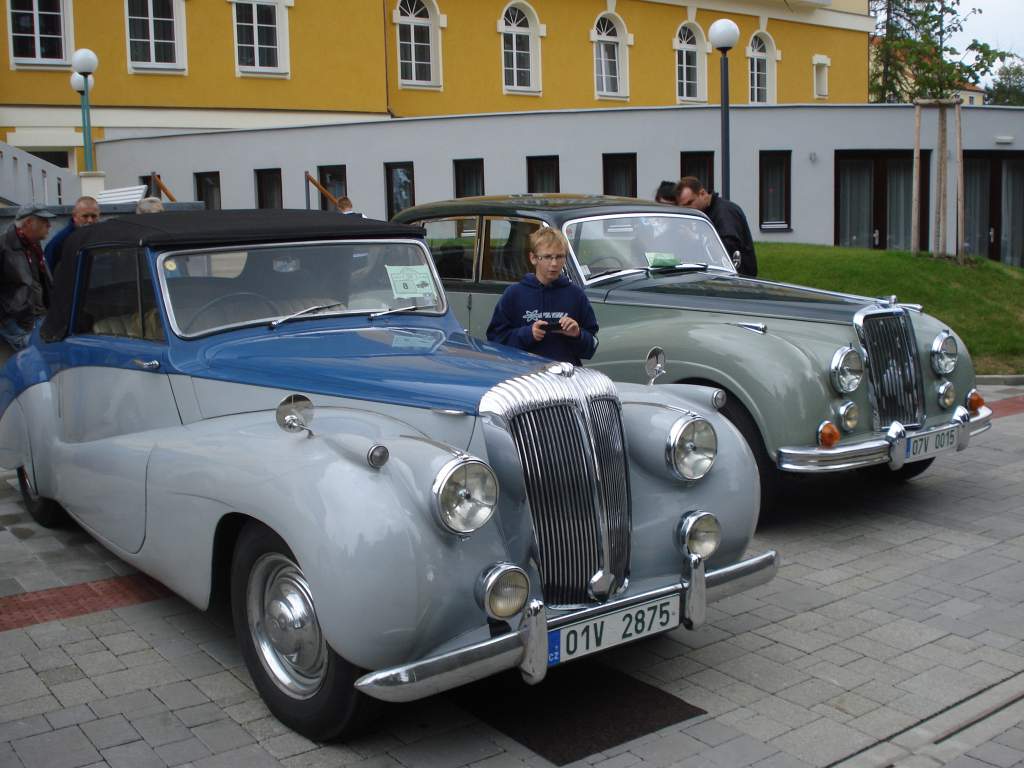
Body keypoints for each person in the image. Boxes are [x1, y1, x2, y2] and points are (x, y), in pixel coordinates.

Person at [486, 228, 598, 366]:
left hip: (565, 378)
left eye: (559, 257)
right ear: (533, 258)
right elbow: (495, 342)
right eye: (547, 257)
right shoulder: (514, 295)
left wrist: (578, 334)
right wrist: (528, 334)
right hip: (525, 377)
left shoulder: (576, 295)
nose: (554, 264)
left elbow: (591, 348)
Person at [676, 176, 758, 277]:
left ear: (702, 193)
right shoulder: (706, 213)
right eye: (683, 206)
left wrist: (696, 238)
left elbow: (728, 248)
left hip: (737, 278)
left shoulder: (724, 213)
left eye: (689, 203)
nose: (687, 209)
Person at [1, 204, 55, 350]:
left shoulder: (34, 245)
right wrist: (6, 320)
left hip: (37, 317)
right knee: (33, 362)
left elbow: (38, 282)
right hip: (18, 322)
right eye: (44, 221)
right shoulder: (4, 247)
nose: (49, 225)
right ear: (29, 223)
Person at [43, 195, 100, 272]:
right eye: (85, 216)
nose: (90, 220)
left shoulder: (102, 237)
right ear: (74, 216)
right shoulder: (60, 242)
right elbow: (49, 272)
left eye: (93, 216)